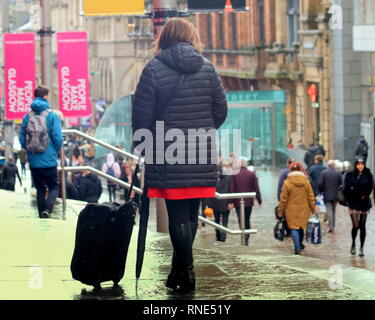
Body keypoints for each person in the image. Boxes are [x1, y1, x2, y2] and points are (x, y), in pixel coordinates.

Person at [132, 18, 227, 293]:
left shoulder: (152, 70)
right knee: (191, 214)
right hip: (201, 151)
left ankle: (187, 273)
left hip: (168, 152)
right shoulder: (208, 68)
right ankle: (178, 271)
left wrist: (145, 144)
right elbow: (221, 111)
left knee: (177, 216)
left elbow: (141, 116)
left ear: (164, 38)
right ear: (192, 36)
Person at [19, 85, 63, 218]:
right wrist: (54, 151)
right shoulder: (51, 115)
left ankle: (41, 213)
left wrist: (29, 150)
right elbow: (57, 137)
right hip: (49, 159)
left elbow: (22, 138)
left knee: (40, 189)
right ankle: (48, 209)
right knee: (54, 187)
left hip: (34, 160)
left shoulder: (27, 116)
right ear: (45, 96)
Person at [278, 161, 316, 255]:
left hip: (291, 209)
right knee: (301, 227)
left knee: (293, 228)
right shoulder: (306, 182)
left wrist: (280, 210)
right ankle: (300, 243)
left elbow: (283, 199)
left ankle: (297, 247)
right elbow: (311, 196)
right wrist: (313, 209)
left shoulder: (287, 183)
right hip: (304, 208)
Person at [343, 158, 373, 257]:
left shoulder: (368, 174)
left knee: (363, 225)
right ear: (355, 165)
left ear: (364, 165)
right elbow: (346, 187)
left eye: (362, 164)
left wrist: (363, 193)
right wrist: (352, 192)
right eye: (358, 164)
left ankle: (361, 248)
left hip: (364, 203)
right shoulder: (350, 174)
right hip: (353, 202)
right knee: (356, 225)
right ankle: (353, 244)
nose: (360, 166)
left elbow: (370, 187)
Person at [230, 159, 262, 246]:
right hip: (248, 202)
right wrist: (259, 201)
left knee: (241, 219)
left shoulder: (234, 174)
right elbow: (256, 188)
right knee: (247, 220)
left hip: (237, 201)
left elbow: (232, 189)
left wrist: (231, 201)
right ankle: (246, 238)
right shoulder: (251, 174)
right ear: (246, 165)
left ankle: (243, 235)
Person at [204, 163, 234, 242]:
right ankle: (223, 239)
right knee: (225, 221)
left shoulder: (213, 177)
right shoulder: (229, 177)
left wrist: (207, 203)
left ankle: (218, 237)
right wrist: (231, 202)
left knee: (216, 221)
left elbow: (209, 190)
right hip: (226, 202)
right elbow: (231, 190)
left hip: (215, 203)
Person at [318, 160, 343, 233]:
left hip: (327, 194)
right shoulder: (338, 173)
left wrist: (321, 190)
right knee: (333, 210)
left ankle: (331, 226)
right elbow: (342, 184)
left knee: (329, 210)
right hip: (335, 195)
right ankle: (332, 225)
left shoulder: (324, 173)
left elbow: (320, 183)